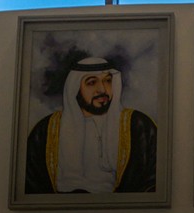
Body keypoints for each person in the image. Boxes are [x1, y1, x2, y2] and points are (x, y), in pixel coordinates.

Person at [26, 56, 157, 194]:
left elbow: (153, 180)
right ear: (75, 88)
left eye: (108, 81)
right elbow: (30, 183)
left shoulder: (138, 125)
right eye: (91, 82)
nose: (102, 90)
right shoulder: (46, 129)